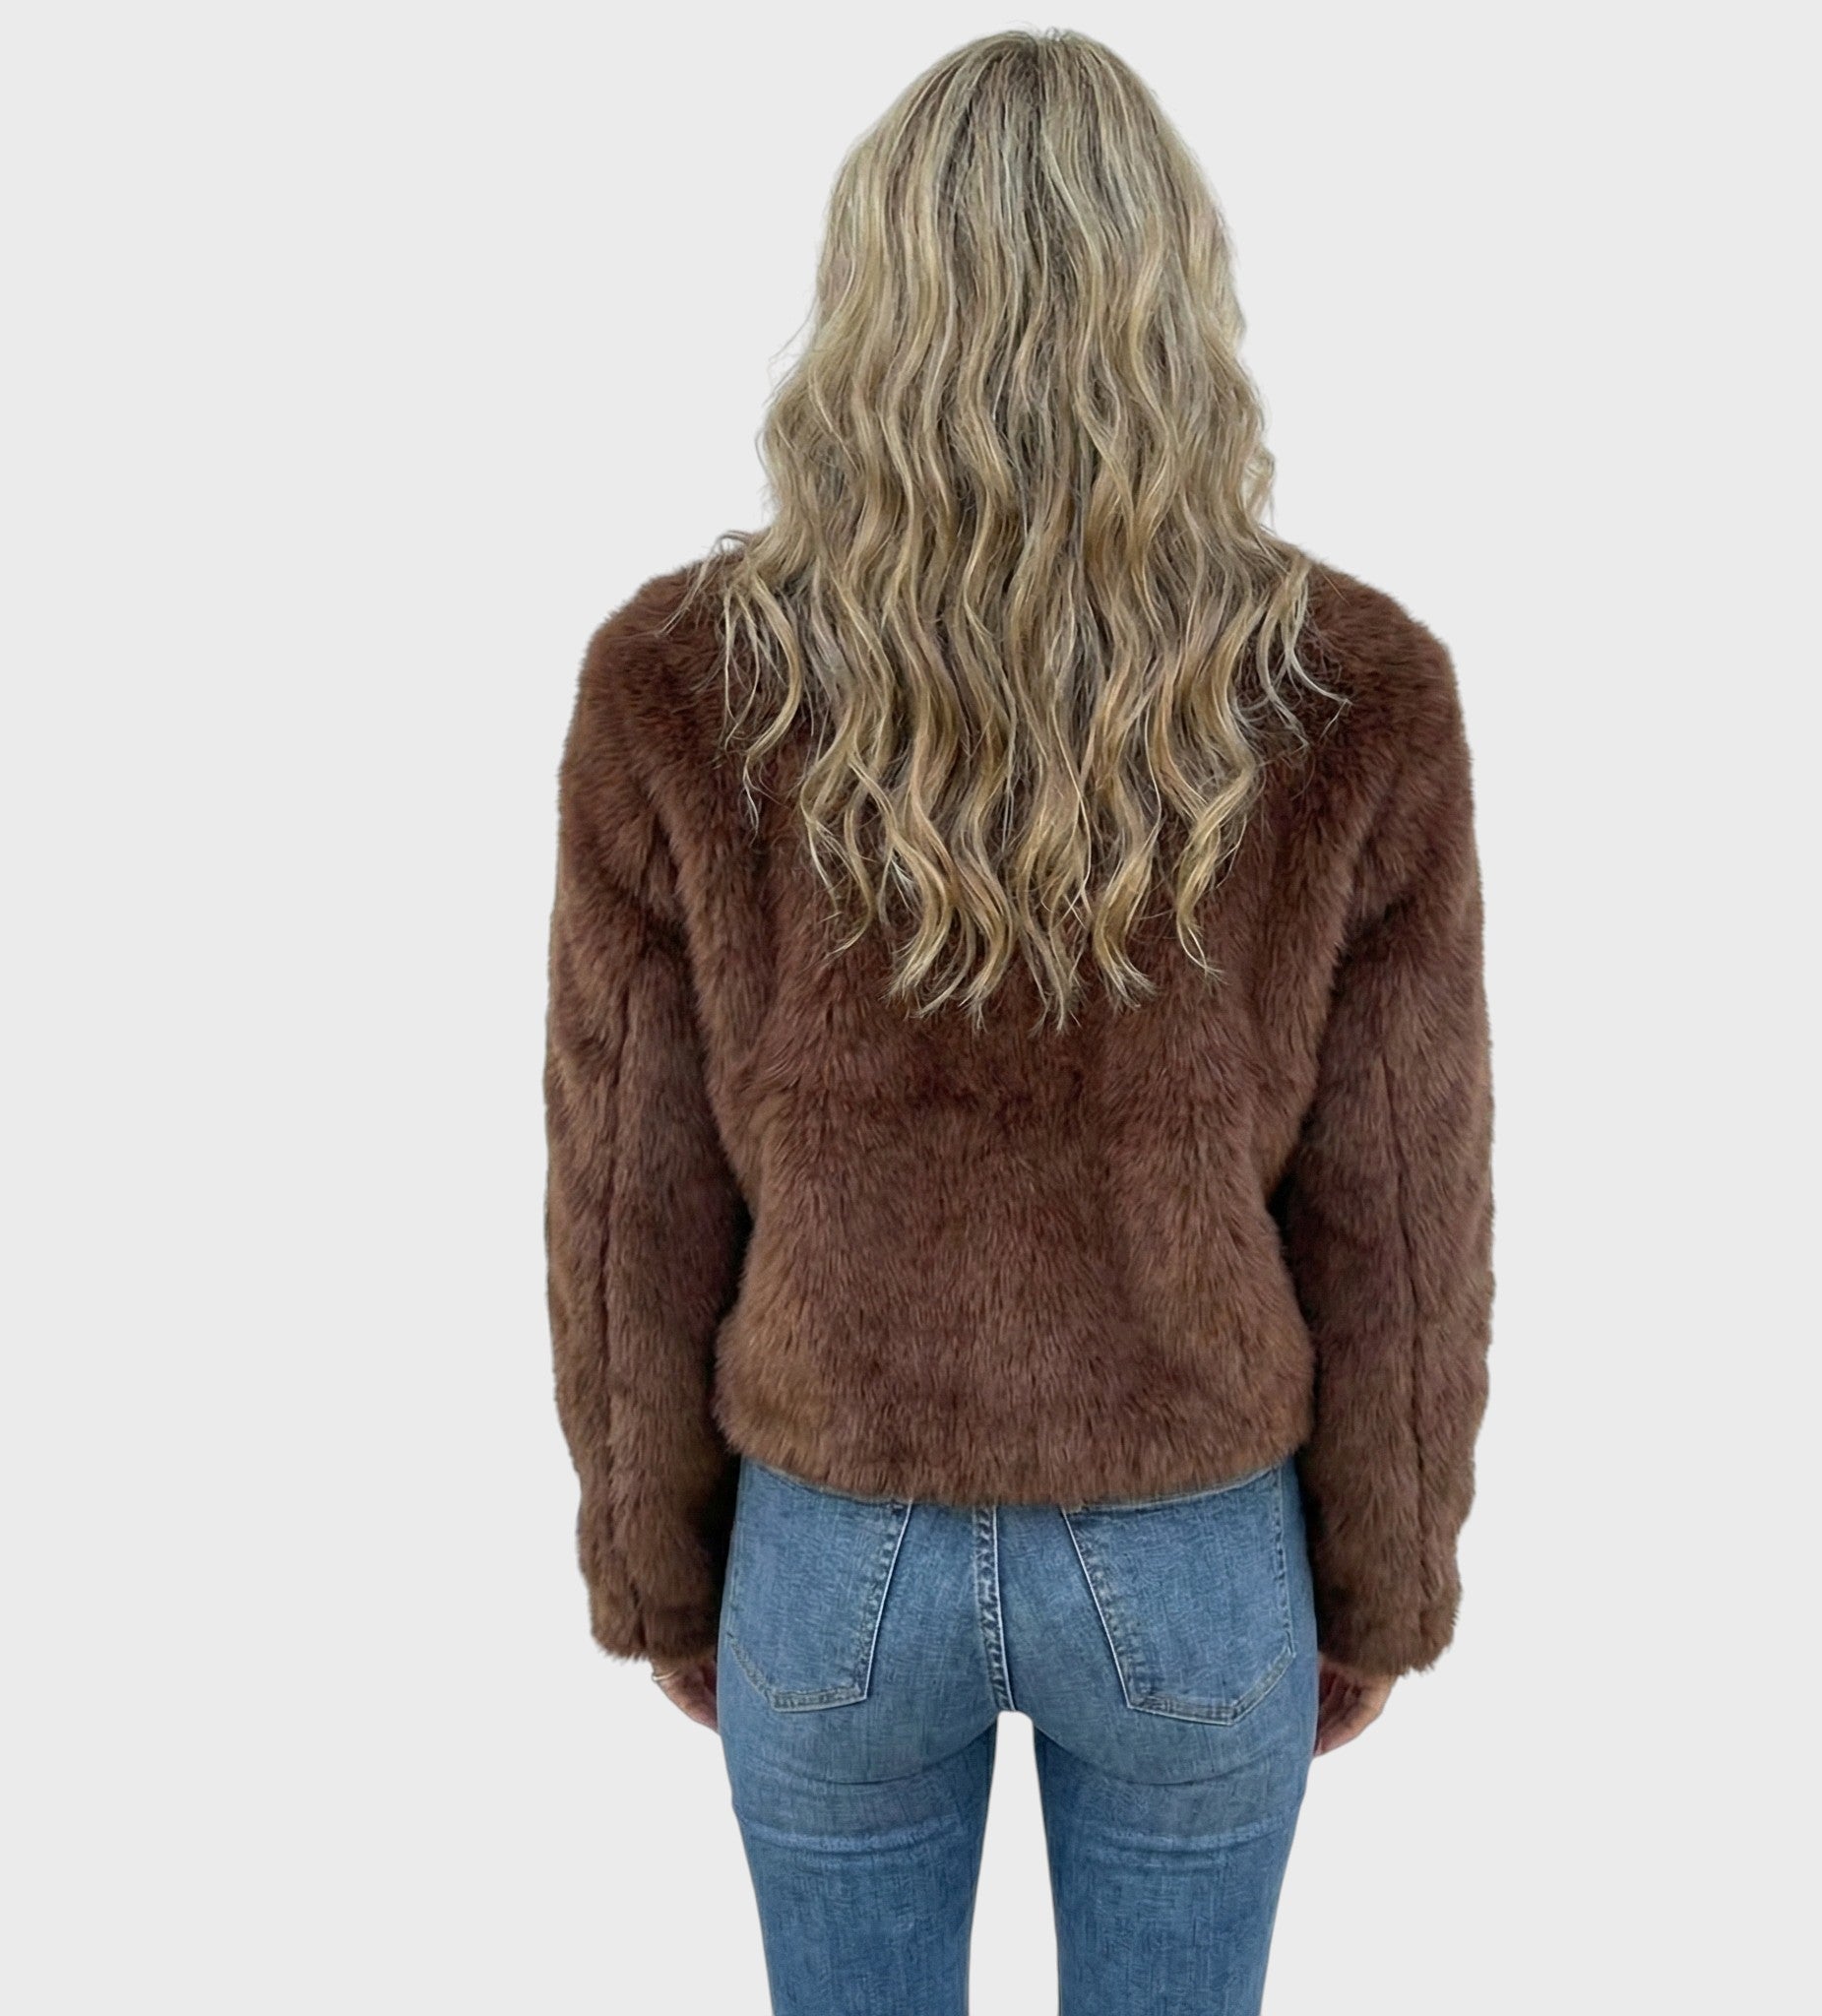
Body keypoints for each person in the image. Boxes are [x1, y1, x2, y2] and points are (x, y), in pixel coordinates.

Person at [541, 28, 1493, 2016]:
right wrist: (1383, 1579)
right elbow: (1404, 1208)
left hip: (831, 1546)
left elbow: (626, 1188)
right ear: (1179, 304)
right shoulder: (1352, 691)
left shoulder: (678, 687)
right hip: (1193, 1546)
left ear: (864, 303)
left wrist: (657, 1564)